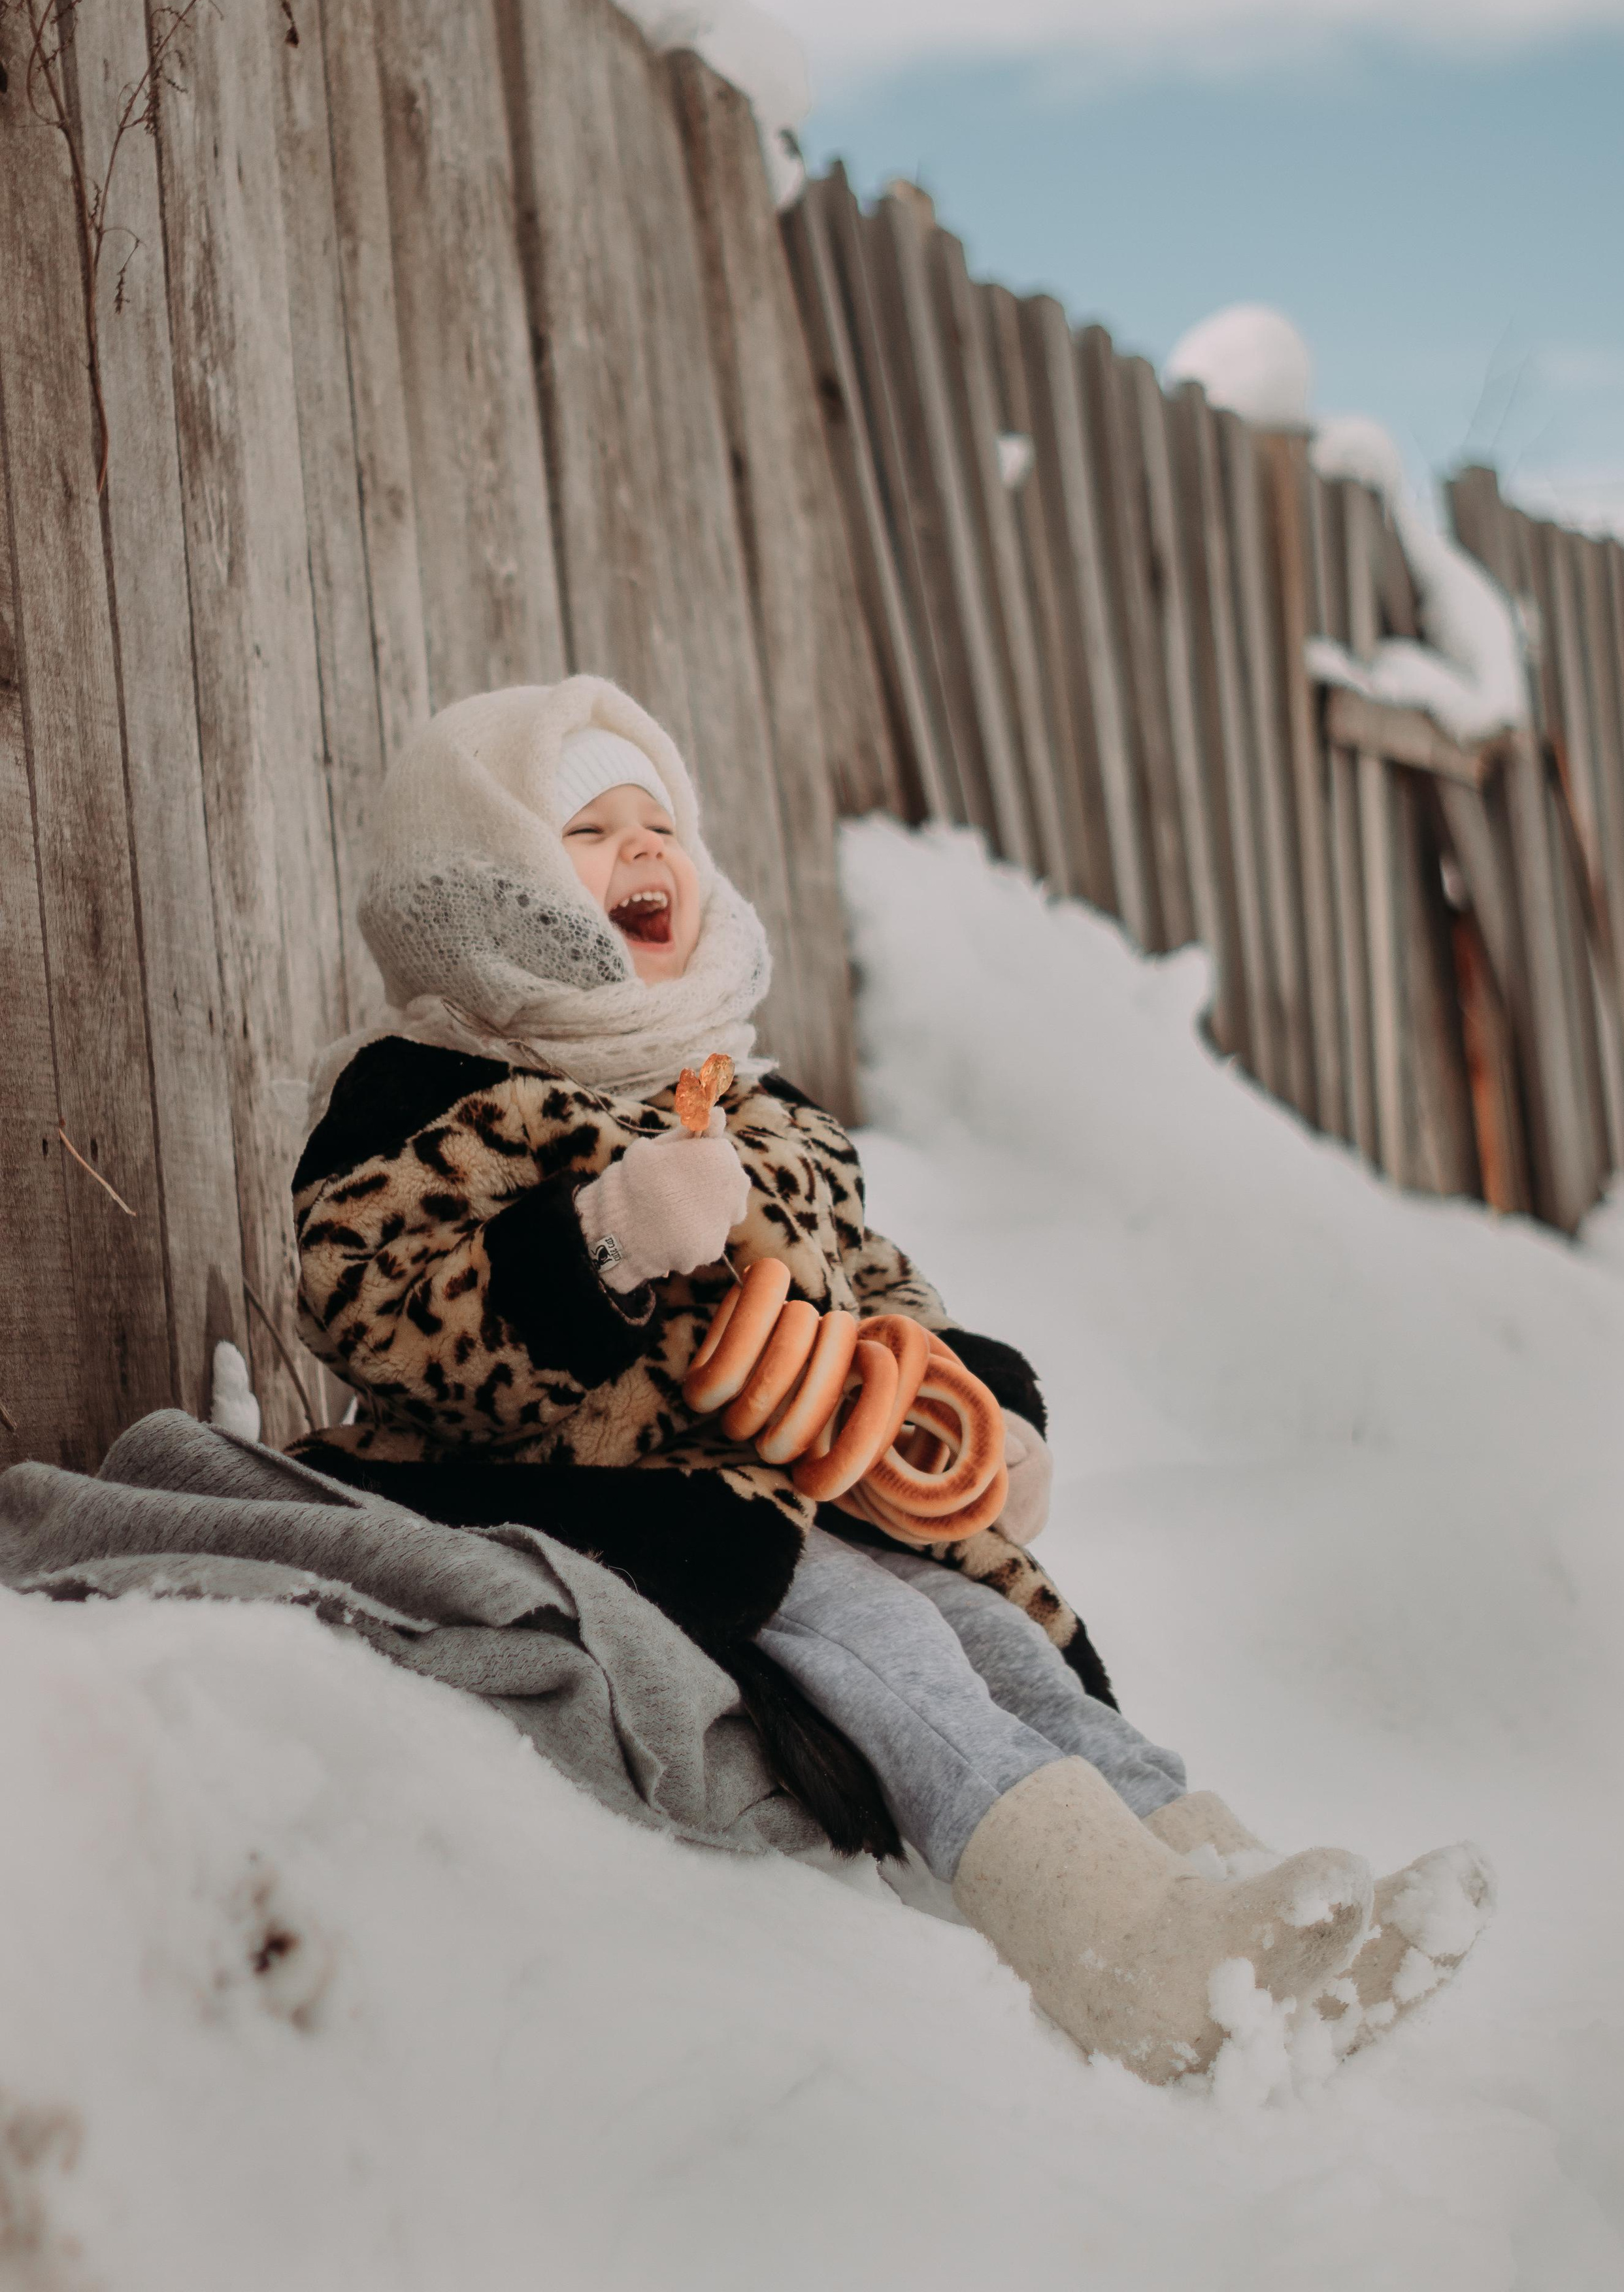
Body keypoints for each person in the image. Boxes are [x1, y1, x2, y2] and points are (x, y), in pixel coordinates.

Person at [290, 676, 1493, 2085]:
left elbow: (877, 1288)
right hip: (624, 1497)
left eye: (658, 823)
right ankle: (1123, 1952)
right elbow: (368, 1300)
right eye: (586, 829)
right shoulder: (437, 1093)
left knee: (1005, 1646)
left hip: (819, 1484)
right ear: (484, 883)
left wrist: (980, 1412)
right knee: (899, 1650)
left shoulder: (751, 1101)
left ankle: (1232, 1897)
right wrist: (601, 1236)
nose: (642, 855)